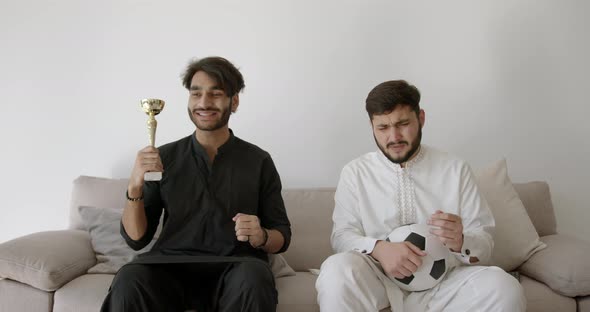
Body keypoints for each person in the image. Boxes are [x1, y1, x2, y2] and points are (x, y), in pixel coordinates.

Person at [101, 56, 291, 312]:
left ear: (234, 102)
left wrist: (261, 235)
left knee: (254, 278)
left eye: (215, 94)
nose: (203, 103)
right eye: (196, 93)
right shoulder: (164, 157)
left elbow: (282, 235)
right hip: (169, 267)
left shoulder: (258, 160)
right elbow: (137, 239)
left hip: (236, 267)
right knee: (129, 278)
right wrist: (135, 185)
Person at [316, 80, 525, 311]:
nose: (393, 137)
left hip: (446, 285)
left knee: (504, 287)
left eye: (403, 123)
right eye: (383, 128)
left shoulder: (455, 169)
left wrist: (461, 241)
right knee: (336, 270)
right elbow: (341, 237)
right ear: (371, 126)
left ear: (421, 118)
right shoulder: (355, 173)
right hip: (379, 281)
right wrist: (379, 248)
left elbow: (485, 244)